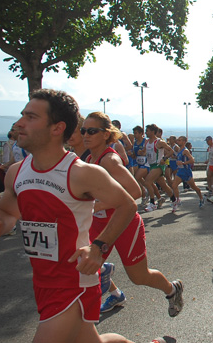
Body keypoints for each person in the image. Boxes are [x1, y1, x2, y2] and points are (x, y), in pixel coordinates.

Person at [0, 89, 139, 343]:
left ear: (57, 128)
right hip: (42, 281)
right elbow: (8, 212)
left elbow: (127, 204)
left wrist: (98, 247)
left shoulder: (82, 173)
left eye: (30, 117)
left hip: (73, 282)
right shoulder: (16, 173)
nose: (19, 123)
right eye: (22, 116)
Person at [82, 112, 184, 316]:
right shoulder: (88, 157)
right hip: (100, 223)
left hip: (124, 222)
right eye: (83, 130)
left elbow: (136, 192)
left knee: (139, 277)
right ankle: (115, 294)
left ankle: (173, 290)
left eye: (92, 131)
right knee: (85, 265)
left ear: (105, 134)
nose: (86, 135)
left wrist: (99, 205)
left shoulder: (109, 160)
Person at [142, 124, 178, 212]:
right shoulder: (147, 142)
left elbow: (171, 151)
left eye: (147, 131)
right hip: (151, 165)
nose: (146, 132)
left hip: (158, 165)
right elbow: (145, 152)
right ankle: (174, 200)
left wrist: (164, 158)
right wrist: (139, 153)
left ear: (153, 132)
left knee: (147, 182)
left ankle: (152, 203)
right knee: (164, 186)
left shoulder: (159, 142)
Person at [170, 136, 204, 211]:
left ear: (184, 142)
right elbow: (179, 158)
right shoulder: (179, 150)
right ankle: (177, 200)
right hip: (180, 171)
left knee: (194, 187)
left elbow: (192, 160)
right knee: (174, 185)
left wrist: (183, 163)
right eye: (178, 140)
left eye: (180, 140)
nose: (178, 141)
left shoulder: (185, 151)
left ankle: (201, 198)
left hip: (186, 171)